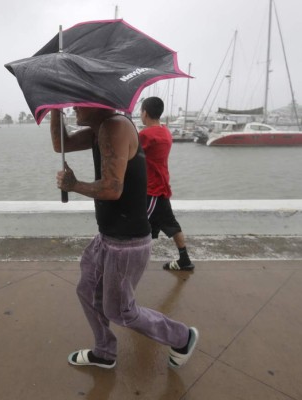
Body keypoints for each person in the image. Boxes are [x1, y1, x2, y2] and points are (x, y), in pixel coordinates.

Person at [49, 107, 198, 370]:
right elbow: (62, 144)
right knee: (87, 290)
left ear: (96, 101)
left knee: (120, 311)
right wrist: (54, 110)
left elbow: (112, 188)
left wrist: (73, 185)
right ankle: (105, 352)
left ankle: (182, 337)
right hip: (107, 236)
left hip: (126, 244)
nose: (73, 106)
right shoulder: (99, 128)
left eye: (77, 102)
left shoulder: (115, 127)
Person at [138, 97, 195, 272]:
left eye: (141, 111)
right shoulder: (165, 132)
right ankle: (184, 259)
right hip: (161, 186)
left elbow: (129, 153)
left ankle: (130, 262)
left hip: (152, 189)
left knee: (137, 226)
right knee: (170, 223)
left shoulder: (145, 135)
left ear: (145, 113)